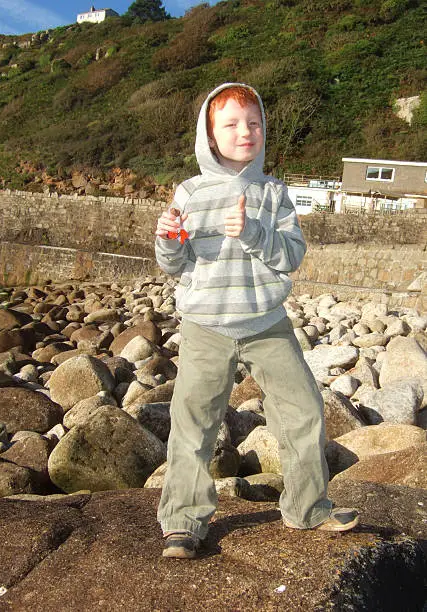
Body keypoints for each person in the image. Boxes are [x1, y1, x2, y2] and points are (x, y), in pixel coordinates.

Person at [154, 83, 359, 559]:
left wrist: (253, 231)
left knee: (305, 409)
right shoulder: (190, 191)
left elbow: (291, 257)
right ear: (209, 134)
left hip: (268, 323)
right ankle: (182, 522)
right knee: (193, 423)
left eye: (253, 122)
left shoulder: (274, 193)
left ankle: (308, 507)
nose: (244, 131)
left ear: (264, 128)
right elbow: (176, 263)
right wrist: (166, 240)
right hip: (206, 326)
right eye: (230, 124)